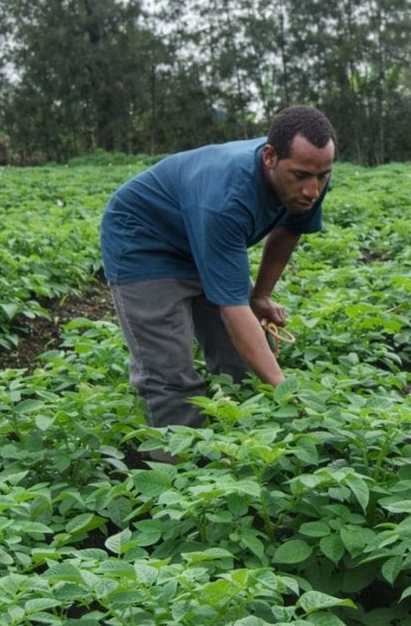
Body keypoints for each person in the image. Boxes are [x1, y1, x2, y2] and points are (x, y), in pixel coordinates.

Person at [99, 106, 336, 443]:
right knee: (170, 374)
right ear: (270, 157)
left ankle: (244, 446)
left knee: (244, 359)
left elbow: (289, 230)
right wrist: (285, 392)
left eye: (322, 176)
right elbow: (232, 308)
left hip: (200, 233)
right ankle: (182, 472)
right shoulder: (225, 198)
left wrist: (261, 295)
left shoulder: (310, 172)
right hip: (144, 241)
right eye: (301, 176)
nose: (313, 190)